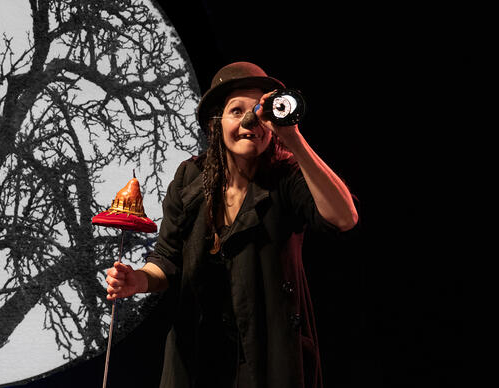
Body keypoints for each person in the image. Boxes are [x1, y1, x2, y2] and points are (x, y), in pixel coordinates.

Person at [105, 62, 358, 388]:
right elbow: (167, 260)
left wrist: (292, 137)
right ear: (215, 124)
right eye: (236, 111)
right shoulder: (190, 178)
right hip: (199, 356)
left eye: (259, 112)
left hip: (269, 356)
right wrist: (137, 280)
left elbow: (344, 217)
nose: (249, 121)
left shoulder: (285, 176)